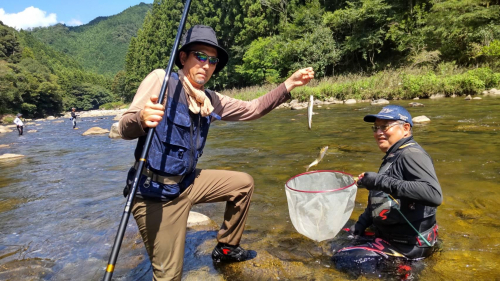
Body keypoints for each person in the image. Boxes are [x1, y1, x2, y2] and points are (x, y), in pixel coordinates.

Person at [118, 25, 314, 281]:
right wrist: (141, 119)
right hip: (154, 193)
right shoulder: (162, 80)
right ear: (183, 58)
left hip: (187, 183)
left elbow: (253, 108)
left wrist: (289, 84)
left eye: (213, 60)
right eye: (200, 56)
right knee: (168, 277)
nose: (207, 64)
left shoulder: (209, 100)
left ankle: (226, 248)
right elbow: (123, 126)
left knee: (243, 184)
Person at [332, 105, 442, 278]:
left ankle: (402, 269)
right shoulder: (395, 154)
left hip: (408, 248)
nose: (378, 132)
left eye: (385, 127)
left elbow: (433, 194)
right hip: (392, 237)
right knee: (336, 240)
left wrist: (378, 180)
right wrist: (360, 225)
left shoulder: (411, 154)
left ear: (406, 128)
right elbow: (381, 198)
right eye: (376, 128)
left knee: (342, 260)